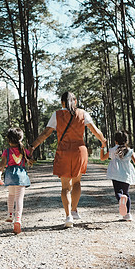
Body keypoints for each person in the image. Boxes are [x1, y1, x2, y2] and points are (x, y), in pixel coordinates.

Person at [29, 92, 107, 228]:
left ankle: (68, 216)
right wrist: (103, 141)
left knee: (65, 187)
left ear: (62, 102)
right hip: (79, 150)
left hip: (64, 151)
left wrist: (33, 146)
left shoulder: (57, 114)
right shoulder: (83, 113)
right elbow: (95, 130)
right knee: (77, 182)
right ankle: (74, 209)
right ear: (75, 101)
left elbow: (46, 133)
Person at [100, 130, 135, 221]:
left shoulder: (112, 150)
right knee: (126, 193)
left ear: (115, 141)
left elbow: (102, 158)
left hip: (115, 174)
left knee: (118, 192)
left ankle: (120, 199)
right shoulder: (130, 151)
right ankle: (128, 214)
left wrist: (102, 148)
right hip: (126, 175)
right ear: (126, 141)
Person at [0, 128, 32, 234]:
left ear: (8, 140)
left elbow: (2, 164)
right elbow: (30, 160)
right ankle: (18, 219)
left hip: (9, 176)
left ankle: (10, 214)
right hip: (21, 177)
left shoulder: (6, 151)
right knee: (19, 198)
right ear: (21, 138)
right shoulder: (24, 150)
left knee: (11, 195)